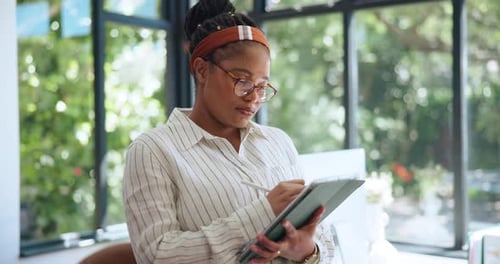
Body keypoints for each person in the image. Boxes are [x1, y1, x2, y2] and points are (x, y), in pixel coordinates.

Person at [122, 0, 335, 263]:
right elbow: (156, 256)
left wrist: (307, 252)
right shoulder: (153, 151)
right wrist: (262, 212)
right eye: (242, 81)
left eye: (262, 86)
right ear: (201, 70)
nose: (253, 98)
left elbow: (325, 241)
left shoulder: (278, 142)